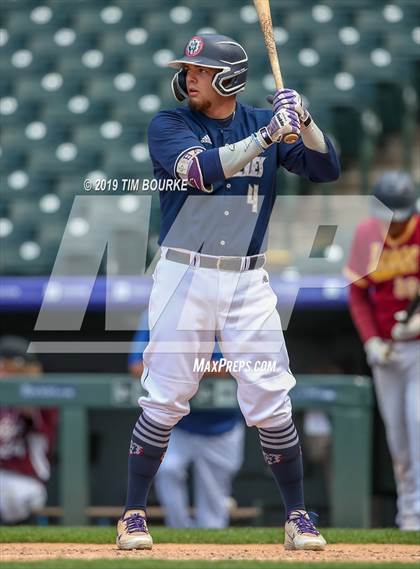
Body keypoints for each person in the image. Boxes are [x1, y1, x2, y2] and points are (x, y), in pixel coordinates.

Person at [117, 33, 339, 551]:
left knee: (270, 396)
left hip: (247, 277)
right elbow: (201, 172)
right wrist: (268, 137)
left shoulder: (264, 122)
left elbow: (326, 167)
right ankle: (132, 514)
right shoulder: (169, 125)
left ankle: (297, 516)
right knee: (166, 395)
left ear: (227, 79)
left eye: (198, 69)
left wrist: (304, 122)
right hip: (184, 273)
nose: (188, 76)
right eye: (188, 69)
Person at [345, 171, 420, 531]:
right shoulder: (366, 234)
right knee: (398, 437)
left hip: (418, 347)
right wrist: (370, 339)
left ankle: (417, 514)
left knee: (418, 424)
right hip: (386, 351)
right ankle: (408, 515)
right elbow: (358, 293)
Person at [128, 312, 245, 528]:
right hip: (177, 423)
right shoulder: (158, 311)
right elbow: (136, 366)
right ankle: (178, 535)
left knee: (213, 515)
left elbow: (238, 365)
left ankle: (211, 556)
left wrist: (180, 367)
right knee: (167, 470)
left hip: (222, 424)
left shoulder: (229, 311)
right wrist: (199, 368)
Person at [0, 336, 58, 524]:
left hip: (25, 480)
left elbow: (28, 405)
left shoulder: (40, 396)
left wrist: (16, 373)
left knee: (14, 494)